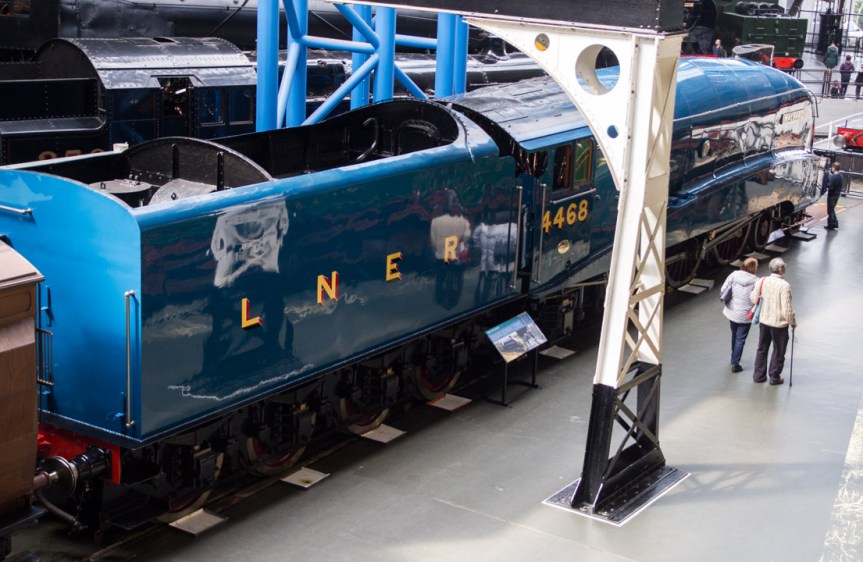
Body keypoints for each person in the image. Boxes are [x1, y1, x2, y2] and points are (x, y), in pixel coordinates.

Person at [750, 258, 796, 385]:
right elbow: (787, 309)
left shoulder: (762, 281)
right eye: (784, 267)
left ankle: (758, 376)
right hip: (779, 324)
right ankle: (774, 377)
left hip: (764, 321)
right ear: (780, 269)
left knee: (762, 348)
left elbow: (754, 298)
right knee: (778, 350)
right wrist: (793, 322)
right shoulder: (784, 285)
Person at [720, 257, 759, 373]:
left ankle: (733, 357)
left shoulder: (734, 275)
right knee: (740, 339)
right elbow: (756, 298)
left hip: (732, 311)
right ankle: (735, 364)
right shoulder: (756, 281)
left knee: (734, 335)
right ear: (753, 268)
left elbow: (723, 289)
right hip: (745, 314)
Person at [826, 161, 843, 230]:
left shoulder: (834, 176)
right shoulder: (840, 176)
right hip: (837, 194)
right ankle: (833, 223)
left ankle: (832, 224)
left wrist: (826, 185)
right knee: (832, 209)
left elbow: (830, 185)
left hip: (832, 195)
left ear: (834, 168)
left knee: (830, 210)